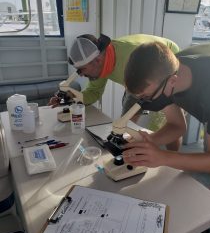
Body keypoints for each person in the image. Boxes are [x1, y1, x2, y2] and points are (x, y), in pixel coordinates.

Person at [122, 42, 210, 233]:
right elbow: (177, 126)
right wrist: (150, 141)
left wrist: (163, 158)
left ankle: (202, 230)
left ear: (172, 81)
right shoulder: (168, 69)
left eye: (146, 97)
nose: (144, 103)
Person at [49, 34, 180, 150]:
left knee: (166, 124)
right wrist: (70, 97)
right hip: (136, 78)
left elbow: (173, 124)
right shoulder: (100, 64)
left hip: (167, 66)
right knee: (124, 123)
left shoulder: (129, 58)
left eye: (82, 69)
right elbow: (93, 92)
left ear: (97, 60)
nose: (81, 75)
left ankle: (174, 163)